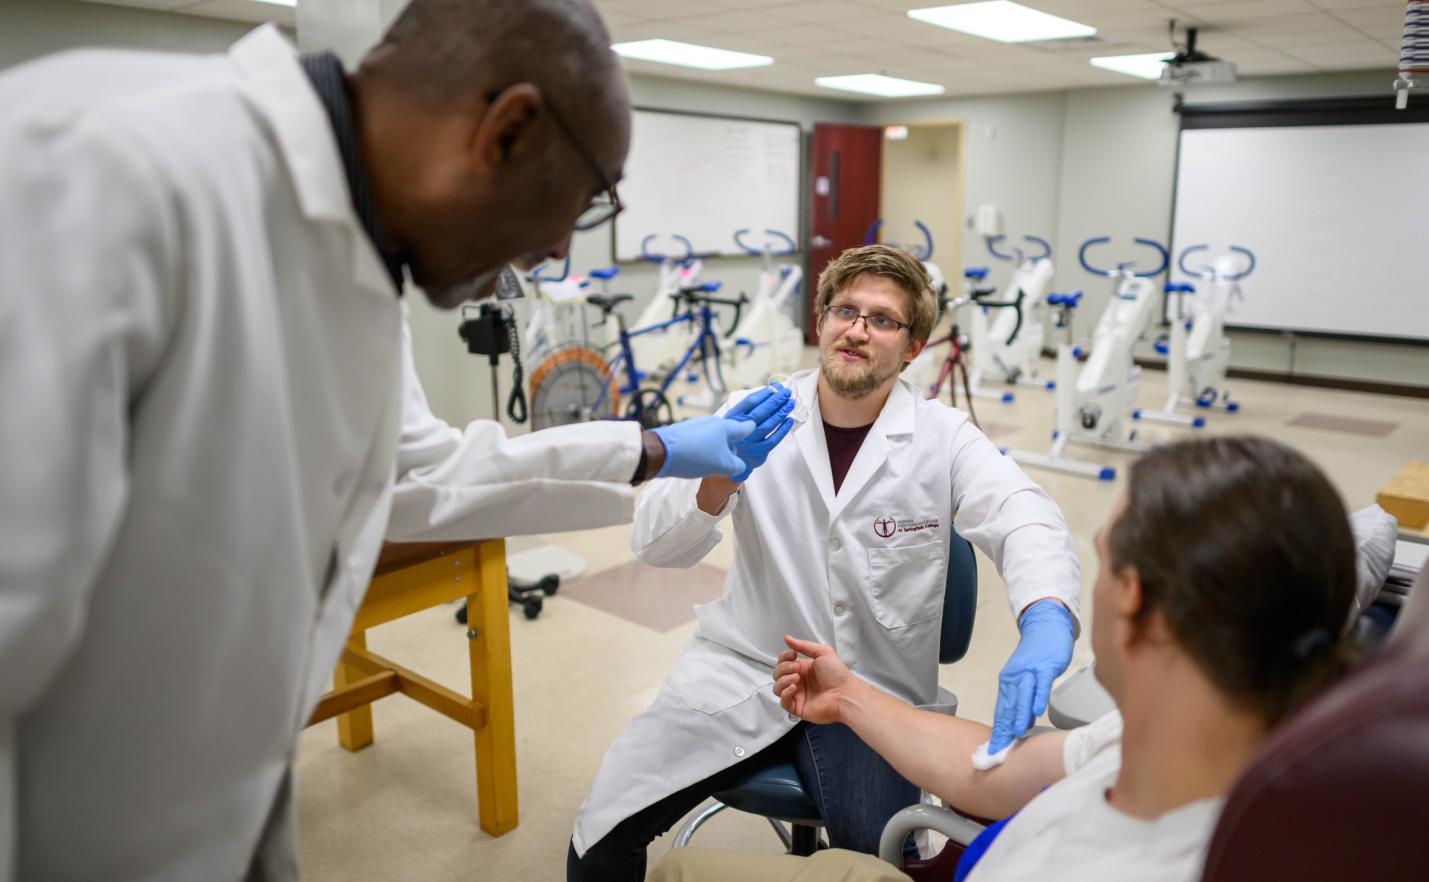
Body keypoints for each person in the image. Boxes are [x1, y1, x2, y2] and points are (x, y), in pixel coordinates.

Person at [0, 2, 781, 880]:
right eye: (577, 203)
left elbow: (420, 472)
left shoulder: (359, 259)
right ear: (507, 129)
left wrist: (656, 450)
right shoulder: (84, 165)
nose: (555, 247)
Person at [569, 245, 1082, 880]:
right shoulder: (753, 412)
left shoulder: (942, 438)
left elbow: (1023, 515)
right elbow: (654, 545)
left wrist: (1046, 617)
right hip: (743, 668)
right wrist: (715, 482)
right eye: (846, 310)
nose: (858, 329)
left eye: (884, 319)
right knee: (598, 838)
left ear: (914, 346)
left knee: (881, 868)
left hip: (871, 691)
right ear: (821, 323)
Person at [650, 435, 1358, 882]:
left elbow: (1021, 515)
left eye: (1102, 561)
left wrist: (1044, 613)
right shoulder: (1183, 739)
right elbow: (987, 774)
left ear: (1134, 600)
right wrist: (849, 697)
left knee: (678, 871)